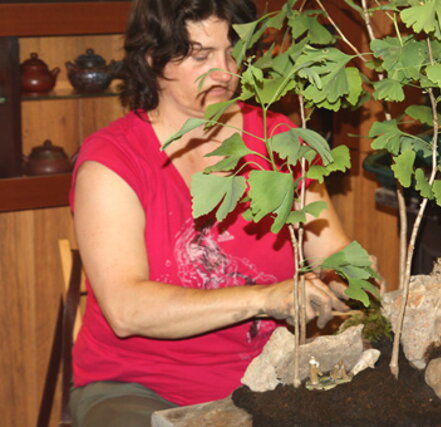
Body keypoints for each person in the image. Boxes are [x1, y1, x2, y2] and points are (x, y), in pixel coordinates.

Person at [69, 0, 364, 425]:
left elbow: (334, 256)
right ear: (153, 59)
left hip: (270, 376)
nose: (225, 71)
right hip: (140, 386)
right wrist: (265, 298)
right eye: (200, 54)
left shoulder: (279, 139)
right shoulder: (114, 161)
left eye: (233, 52)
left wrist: (350, 281)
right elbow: (126, 309)